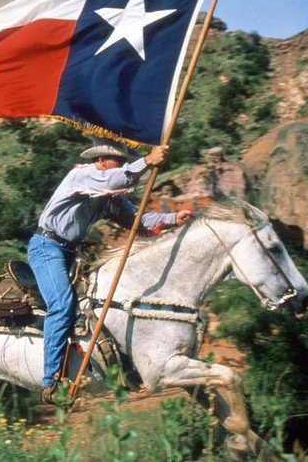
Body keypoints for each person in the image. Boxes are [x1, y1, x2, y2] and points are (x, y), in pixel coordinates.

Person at [27, 137, 192, 402]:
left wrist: (172, 218)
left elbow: (137, 219)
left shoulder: (107, 197)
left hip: (72, 251)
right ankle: (51, 381)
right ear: (101, 161)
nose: (123, 165)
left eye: (125, 162)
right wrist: (147, 162)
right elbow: (116, 180)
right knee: (62, 306)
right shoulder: (81, 176)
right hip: (47, 247)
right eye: (119, 160)